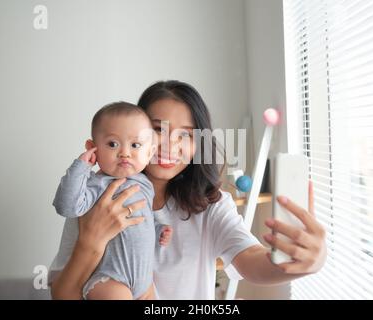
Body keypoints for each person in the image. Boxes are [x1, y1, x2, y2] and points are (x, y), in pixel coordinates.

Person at [49, 80, 327, 300]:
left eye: (186, 134)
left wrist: (302, 262)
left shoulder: (212, 206)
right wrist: (92, 241)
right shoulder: (96, 197)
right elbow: (62, 294)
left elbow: (251, 260)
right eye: (158, 129)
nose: (171, 144)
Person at [51, 102, 172, 300]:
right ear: (93, 148)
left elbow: (144, 219)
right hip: (110, 280)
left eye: (135, 145)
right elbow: (66, 206)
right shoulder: (96, 185)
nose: (125, 153)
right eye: (113, 144)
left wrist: (159, 230)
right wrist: (81, 167)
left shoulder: (145, 185)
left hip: (143, 282)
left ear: (149, 152)